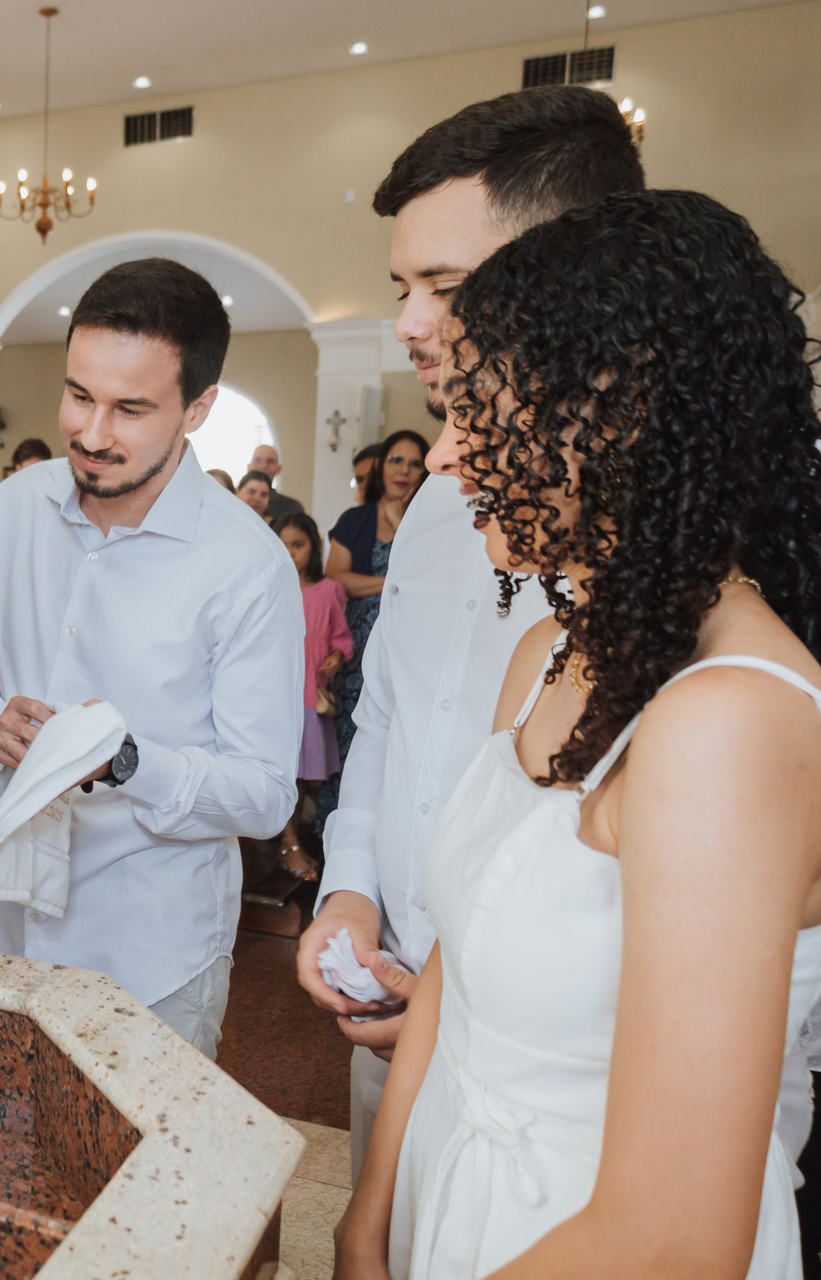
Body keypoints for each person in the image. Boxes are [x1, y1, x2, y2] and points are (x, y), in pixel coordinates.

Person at [336, 188, 821, 1280]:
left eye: (479, 413)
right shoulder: (548, 651)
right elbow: (458, 958)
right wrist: (369, 1218)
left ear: (615, 420)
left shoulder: (731, 722)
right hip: (451, 1190)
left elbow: (672, 1239)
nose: (446, 457)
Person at [295, 84, 642, 1185]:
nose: (407, 323)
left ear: (575, 280)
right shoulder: (449, 500)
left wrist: (469, 993)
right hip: (390, 991)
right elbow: (390, 717)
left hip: (576, 1076)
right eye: (404, 287)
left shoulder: (679, 549)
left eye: (443, 287)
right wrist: (352, 888)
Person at [0, 258, 302, 1059]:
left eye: (130, 409)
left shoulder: (247, 565)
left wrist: (126, 761)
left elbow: (264, 793)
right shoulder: (16, 508)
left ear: (197, 408)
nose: (93, 434)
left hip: (152, 949)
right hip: (6, 920)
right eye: (79, 396)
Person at [315, 429, 428, 836]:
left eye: (414, 463)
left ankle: (389, 836)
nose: (404, 470)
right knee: (350, 737)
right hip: (357, 646)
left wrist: (401, 526)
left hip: (411, 644)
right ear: (380, 466)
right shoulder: (355, 519)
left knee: (398, 739)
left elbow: (432, 579)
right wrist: (392, 581)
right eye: (396, 460)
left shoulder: (428, 521)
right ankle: (337, 836)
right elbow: (335, 579)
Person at [274, 512, 351, 881]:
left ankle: (291, 838)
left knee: (305, 774)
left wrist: (336, 655)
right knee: (282, 769)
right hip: (277, 694)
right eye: (282, 544)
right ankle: (288, 842)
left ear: (314, 547)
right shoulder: (270, 588)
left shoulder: (328, 590)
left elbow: (340, 636)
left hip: (310, 695)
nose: (289, 552)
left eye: (298, 545)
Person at [250, 443, 306, 520]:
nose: (263, 466)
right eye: (258, 460)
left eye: (270, 461)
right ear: (249, 466)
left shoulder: (292, 508)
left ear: (279, 469)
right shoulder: (237, 501)